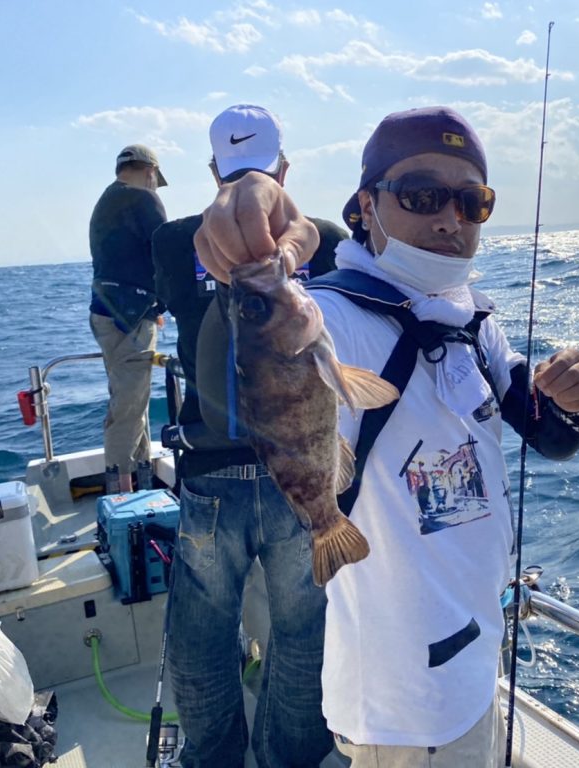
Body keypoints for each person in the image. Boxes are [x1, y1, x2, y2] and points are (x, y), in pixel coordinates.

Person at [193, 106, 579, 766]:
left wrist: (573, 399)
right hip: (405, 707)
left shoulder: (473, 321)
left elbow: (550, 434)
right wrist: (251, 208)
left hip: (475, 662)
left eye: (472, 201)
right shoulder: (333, 316)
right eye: (421, 195)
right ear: (366, 207)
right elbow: (236, 389)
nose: (450, 219)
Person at [152, 104, 346, 768]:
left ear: (214, 171)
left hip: (210, 475)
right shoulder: (325, 239)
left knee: (201, 632)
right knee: (303, 630)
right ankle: (290, 758)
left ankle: (213, 759)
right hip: (302, 470)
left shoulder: (174, 243)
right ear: (284, 169)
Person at [89, 144, 168, 493]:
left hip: (104, 314)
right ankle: (121, 493)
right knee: (129, 407)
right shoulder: (144, 199)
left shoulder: (105, 201)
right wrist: (166, 303)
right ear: (150, 172)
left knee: (131, 401)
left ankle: (142, 479)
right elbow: (166, 252)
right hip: (131, 320)